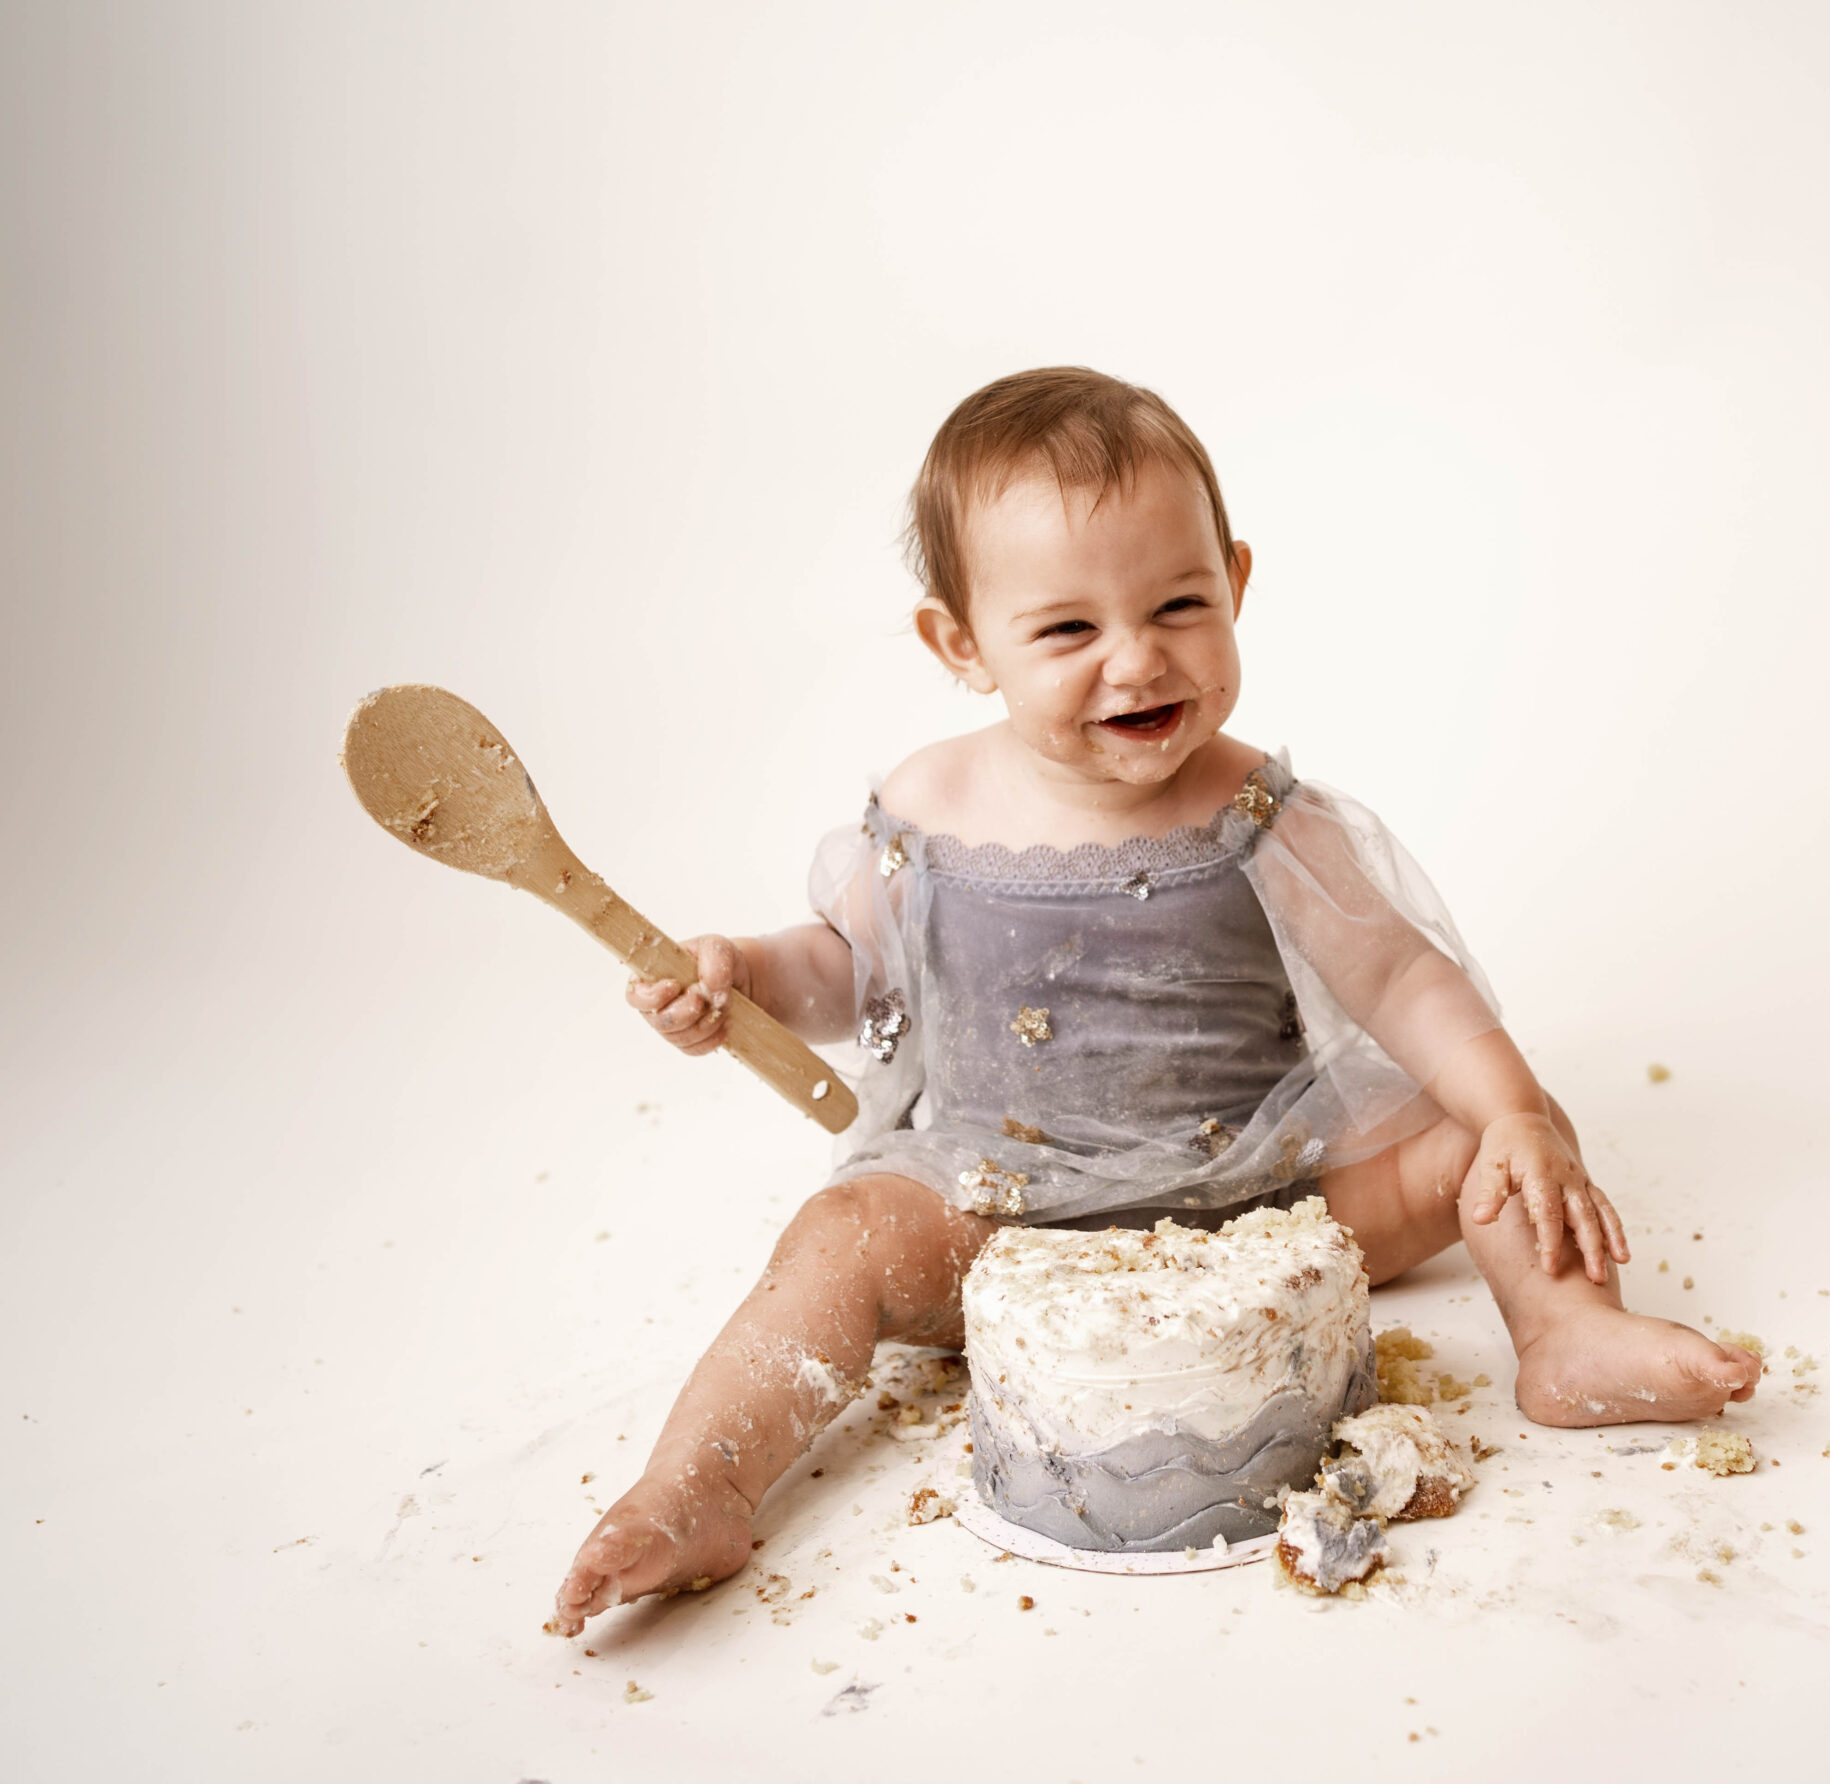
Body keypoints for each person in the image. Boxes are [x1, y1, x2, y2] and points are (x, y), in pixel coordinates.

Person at [551, 368, 1760, 1637]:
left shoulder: (1255, 815)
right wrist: (744, 974)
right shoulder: (928, 804)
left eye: (1178, 604)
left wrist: (1510, 1106)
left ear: (1235, 582)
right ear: (961, 644)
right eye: (1068, 631)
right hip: (999, 1211)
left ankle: (1569, 1331)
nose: (1137, 660)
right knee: (838, 1242)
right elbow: (848, 970)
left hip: (1268, 1198)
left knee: (1488, 1132)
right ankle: (698, 1480)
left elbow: (1399, 975)